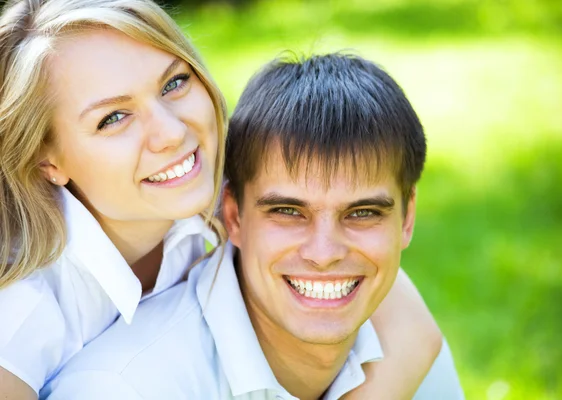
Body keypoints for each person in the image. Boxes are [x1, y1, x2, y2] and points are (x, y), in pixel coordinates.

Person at [0, 1, 443, 399]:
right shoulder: (20, 310)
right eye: (113, 118)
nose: (173, 132)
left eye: (174, 83)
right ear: (46, 160)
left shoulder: (203, 196)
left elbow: (411, 327)